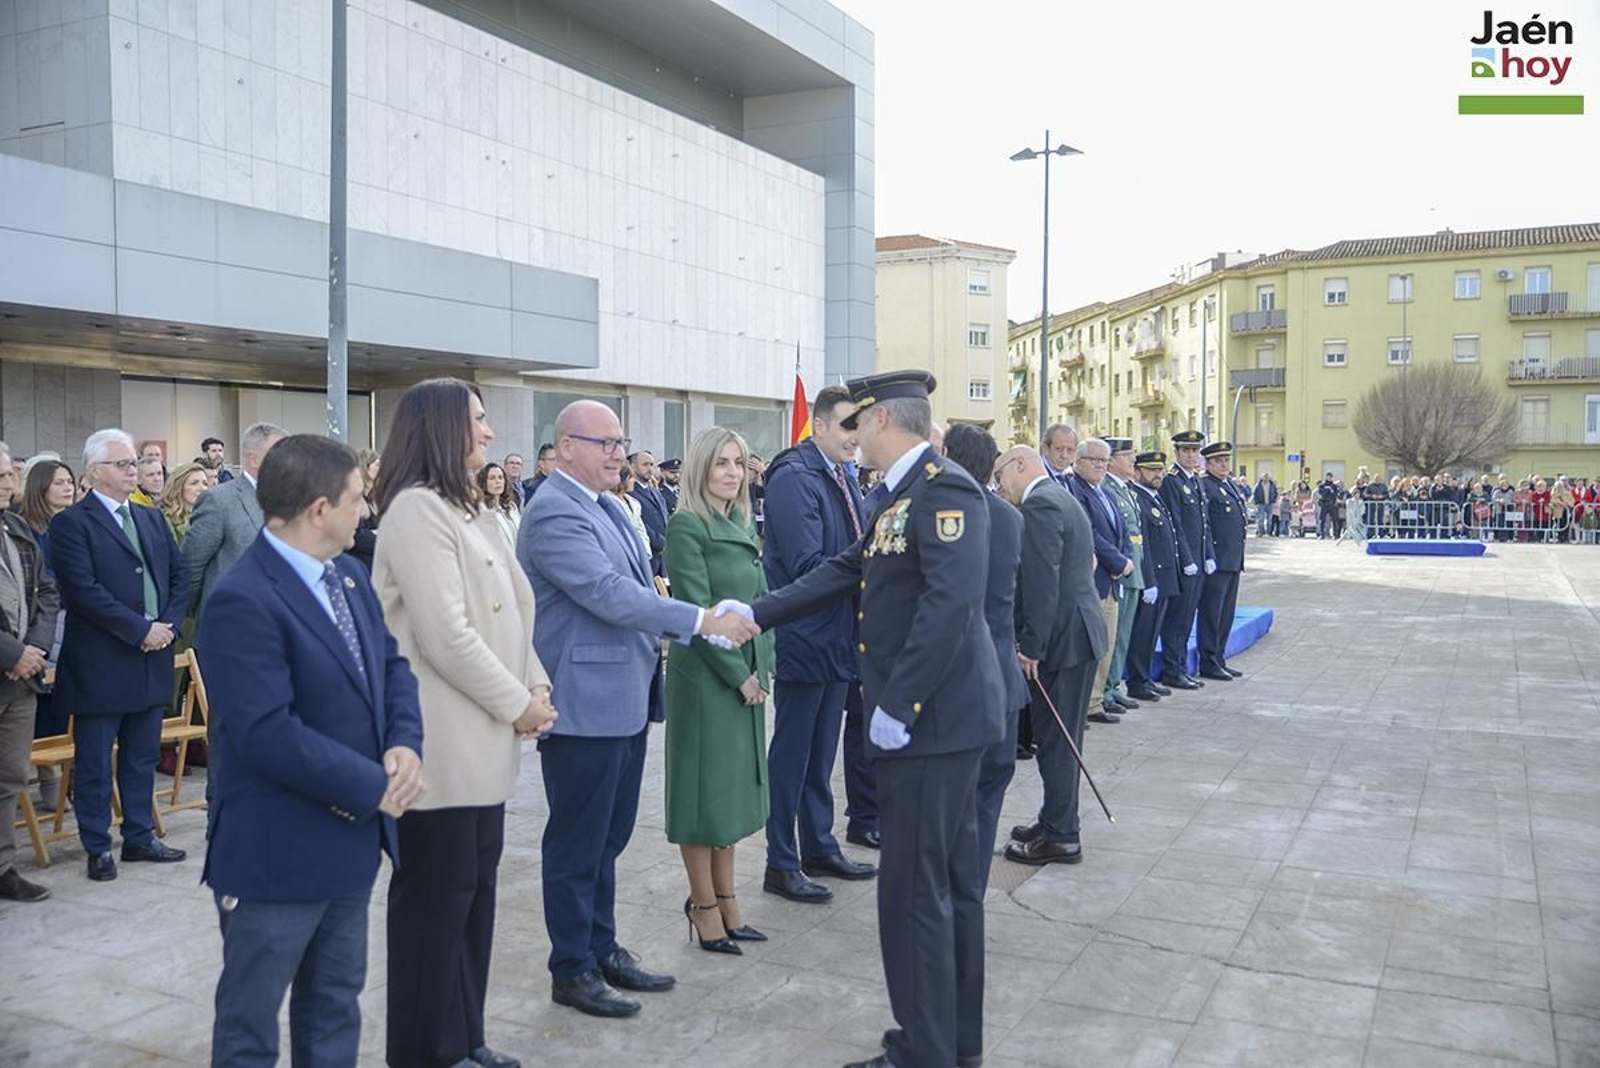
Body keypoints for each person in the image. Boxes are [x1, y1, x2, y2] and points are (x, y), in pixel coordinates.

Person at [731, 370, 1004, 1068]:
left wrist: (899, 703)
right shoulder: (896, 498)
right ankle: (947, 1045)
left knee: (918, 894)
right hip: (931, 722)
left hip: (932, 725)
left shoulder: (943, 490)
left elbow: (950, 605)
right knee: (942, 890)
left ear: (882, 419)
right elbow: (842, 569)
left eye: (856, 424)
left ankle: (926, 1051)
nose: (850, 437)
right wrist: (754, 614)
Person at [518, 400, 757, 1019]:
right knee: (577, 843)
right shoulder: (552, 512)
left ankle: (601, 948)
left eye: (621, 442)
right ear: (565, 446)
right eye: (605, 443)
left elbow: (640, 585)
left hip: (621, 698)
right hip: (583, 706)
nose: (618, 453)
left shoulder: (606, 506)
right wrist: (702, 620)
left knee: (608, 839)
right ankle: (571, 967)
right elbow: (606, 593)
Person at [200, 434, 426, 1068]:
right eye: (359, 498)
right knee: (251, 1028)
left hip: (348, 849)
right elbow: (267, 733)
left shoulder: (349, 576)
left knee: (333, 1013)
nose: (368, 510)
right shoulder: (242, 599)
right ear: (320, 508)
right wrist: (372, 783)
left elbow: (392, 669)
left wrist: (405, 745)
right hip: (276, 855)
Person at [372, 379, 558, 1068]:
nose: (488, 434)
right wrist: (519, 704)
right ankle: (424, 1052)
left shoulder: (470, 509)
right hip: (441, 750)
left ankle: (464, 1039)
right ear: (444, 429)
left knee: (472, 902)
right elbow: (446, 634)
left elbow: (511, 612)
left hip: (483, 744)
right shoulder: (416, 511)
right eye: (477, 421)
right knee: (433, 911)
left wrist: (535, 679)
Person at [48, 428, 190, 881]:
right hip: (102, 660)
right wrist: (139, 630)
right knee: (94, 760)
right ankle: (96, 845)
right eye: (124, 464)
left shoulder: (150, 518)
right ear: (95, 471)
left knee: (141, 755)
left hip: (152, 655)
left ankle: (139, 836)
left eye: (137, 464)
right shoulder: (72, 522)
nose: (136, 471)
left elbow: (181, 575)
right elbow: (82, 591)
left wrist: (165, 626)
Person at [758, 385, 877, 906]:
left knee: (821, 753)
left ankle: (818, 846)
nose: (857, 437)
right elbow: (808, 565)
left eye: (861, 427)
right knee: (793, 755)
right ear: (822, 426)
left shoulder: (839, 475)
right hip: (805, 636)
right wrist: (875, 561)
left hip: (837, 636)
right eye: (848, 426)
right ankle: (781, 861)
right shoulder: (794, 477)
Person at [662, 427, 776, 954]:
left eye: (739, 462)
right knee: (701, 799)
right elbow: (696, 615)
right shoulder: (687, 525)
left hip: (746, 676)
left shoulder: (739, 523)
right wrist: (740, 676)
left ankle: (729, 901)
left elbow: (761, 602)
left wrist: (764, 668)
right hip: (709, 681)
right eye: (721, 463)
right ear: (700, 469)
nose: (732, 472)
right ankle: (703, 905)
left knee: (728, 799)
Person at [996, 444, 1106, 870]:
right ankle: (1054, 818)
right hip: (1078, 633)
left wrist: (1030, 647)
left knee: (1057, 742)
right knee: (1060, 739)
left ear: (1020, 465)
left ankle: (1062, 836)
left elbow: (1042, 585)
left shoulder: (1040, 505)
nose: (999, 486)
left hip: (1064, 639)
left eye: (1000, 475)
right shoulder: (1061, 497)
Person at [942, 425, 1025, 885]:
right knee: (988, 793)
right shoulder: (1011, 517)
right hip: (1003, 682)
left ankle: (948, 889)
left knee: (950, 800)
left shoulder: (941, 513)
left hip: (957, 685)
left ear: (948, 455)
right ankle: (969, 886)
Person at [0, 443, 62, 903]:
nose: (8, 485)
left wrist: (35, 648)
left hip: (21, 678)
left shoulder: (16, 528)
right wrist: (12, 652)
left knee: (9, 775)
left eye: (9, 476)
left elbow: (47, 592)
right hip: (10, 662)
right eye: (0, 476)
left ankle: (4, 867)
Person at [182, 423, 286, 622]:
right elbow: (191, 567)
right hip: (230, 624)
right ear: (253, 459)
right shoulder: (219, 500)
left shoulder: (293, 500)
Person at [1064, 438, 1132, 726]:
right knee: (1091, 647)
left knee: (1107, 645)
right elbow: (1089, 533)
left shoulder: (1103, 491)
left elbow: (1122, 531)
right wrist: (1117, 562)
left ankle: (1096, 701)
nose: (1100, 465)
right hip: (1096, 580)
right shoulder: (1075, 490)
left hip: (1113, 580)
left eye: (1104, 461)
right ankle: (1085, 705)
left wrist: (1126, 559)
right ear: (1078, 462)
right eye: (1094, 460)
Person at [1157, 430, 1213, 690]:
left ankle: (1180, 668)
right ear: (1177, 452)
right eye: (1186, 451)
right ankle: (1172, 670)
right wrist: (1188, 559)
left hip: (1199, 562)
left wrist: (1208, 555)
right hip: (1184, 564)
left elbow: (1203, 525)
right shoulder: (1172, 481)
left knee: (1187, 618)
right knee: (1177, 620)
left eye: (1195, 451)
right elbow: (1175, 523)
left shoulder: (1195, 481)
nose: (1191, 455)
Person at [1099, 438, 1146, 718]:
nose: (1132, 461)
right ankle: (1104, 690)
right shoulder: (1106, 487)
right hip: (1119, 569)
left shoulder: (1124, 489)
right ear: (1112, 459)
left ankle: (1114, 686)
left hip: (1134, 567)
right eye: (1127, 455)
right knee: (1113, 636)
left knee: (1124, 634)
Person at [1125, 452, 1177, 702]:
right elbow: (1142, 545)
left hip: (1163, 576)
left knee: (1152, 632)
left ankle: (1144, 678)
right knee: (1142, 634)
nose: (1158, 475)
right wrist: (1149, 580)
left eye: (1160, 470)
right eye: (1151, 470)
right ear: (1136, 472)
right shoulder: (1138, 499)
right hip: (1151, 578)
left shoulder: (1155, 498)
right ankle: (1137, 681)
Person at [1197, 442, 1247, 682]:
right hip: (1217, 561)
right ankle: (1208, 661)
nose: (1224, 464)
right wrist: (1208, 556)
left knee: (1226, 614)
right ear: (1207, 464)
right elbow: (1205, 525)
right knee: (1211, 614)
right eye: (1218, 461)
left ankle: (1219, 658)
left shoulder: (1230, 485)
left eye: (1226, 460)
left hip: (1233, 560)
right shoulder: (1206, 486)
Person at [627, 451, 670, 578]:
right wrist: (660, 541)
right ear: (633, 467)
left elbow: (665, 518)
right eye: (645, 465)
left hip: (663, 560)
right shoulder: (630, 492)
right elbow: (638, 524)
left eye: (652, 464)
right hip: (647, 558)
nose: (650, 469)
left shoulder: (655, 492)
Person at [158, 462, 210, 544]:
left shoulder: (210, 517)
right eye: (194, 483)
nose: (202, 488)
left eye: (205, 484)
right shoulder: (163, 520)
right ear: (178, 487)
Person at [476, 460, 522, 550]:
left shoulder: (511, 507)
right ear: (484, 482)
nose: (498, 481)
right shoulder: (481, 510)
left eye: (500, 477)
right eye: (492, 478)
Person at [351, 449, 381, 572]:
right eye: (378, 464)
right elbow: (357, 535)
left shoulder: (374, 498)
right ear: (366, 466)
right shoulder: (356, 498)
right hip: (361, 564)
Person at [1252, 473, 1278, 537]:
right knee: (1261, 519)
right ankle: (1261, 532)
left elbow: (1275, 493)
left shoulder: (1272, 485)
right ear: (1262, 477)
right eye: (1264, 477)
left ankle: (1269, 532)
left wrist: (1273, 500)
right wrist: (1256, 502)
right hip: (1261, 504)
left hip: (1270, 504)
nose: (1266, 478)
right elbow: (1254, 494)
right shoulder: (1258, 485)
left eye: (1267, 477)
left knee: (1269, 519)